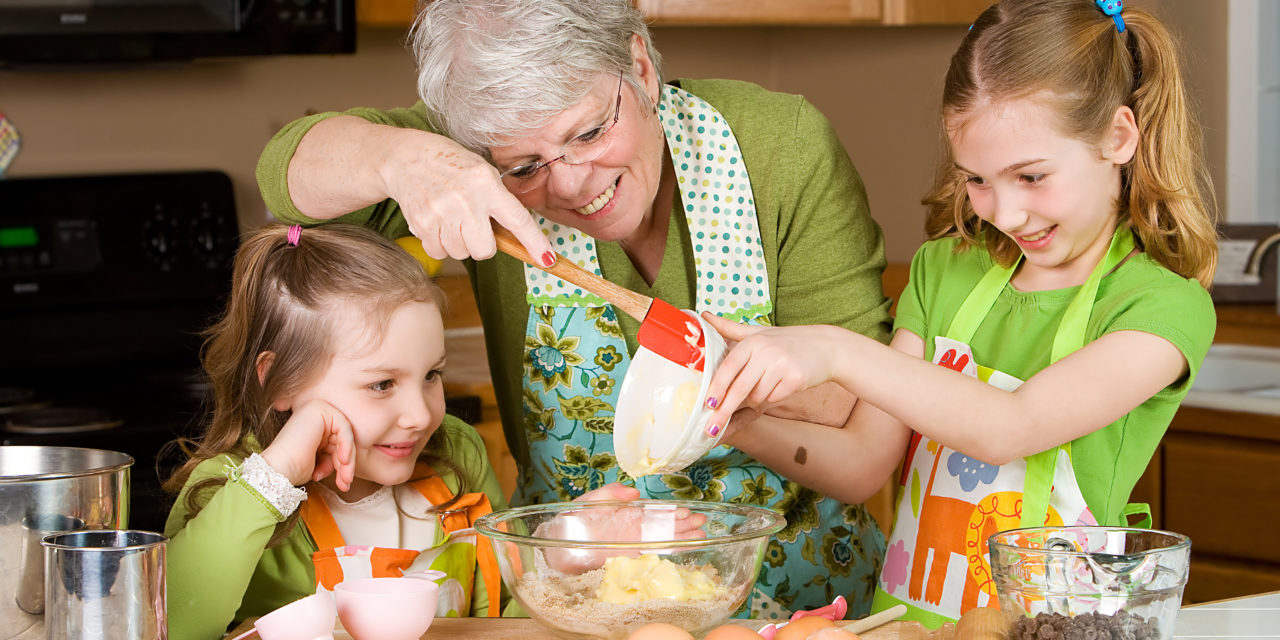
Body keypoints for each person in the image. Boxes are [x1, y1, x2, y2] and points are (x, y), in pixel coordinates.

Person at [255, 0, 892, 617]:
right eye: (527, 166)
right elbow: (284, 175)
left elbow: (843, 398)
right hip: (574, 606)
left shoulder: (779, 147)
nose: (571, 184)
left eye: (589, 132)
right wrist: (408, 161)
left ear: (640, 67)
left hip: (805, 603)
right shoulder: (478, 164)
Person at [698, 0, 1218, 628]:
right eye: (976, 179)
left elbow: (1011, 427)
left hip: (1049, 629)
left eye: (1030, 176)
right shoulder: (946, 269)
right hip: (909, 623)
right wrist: (733, 422)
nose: (1004, 212)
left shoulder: (1161, 307)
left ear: (1118, 137)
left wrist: (835, 351)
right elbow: (865, 463)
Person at [162, 223, 644, 640]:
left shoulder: (455, 453)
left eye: (431, 374)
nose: (419, 414)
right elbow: (175, 625)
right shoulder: (232, 487)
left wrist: (555, 550)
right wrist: (276, 475)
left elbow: (499, 615)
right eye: (381, 384)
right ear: (280, 382)